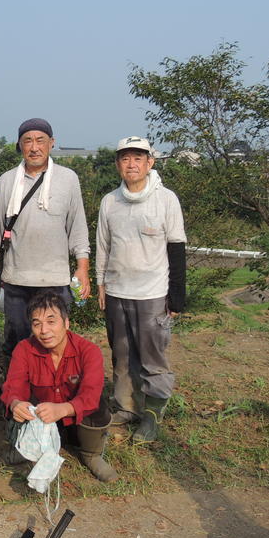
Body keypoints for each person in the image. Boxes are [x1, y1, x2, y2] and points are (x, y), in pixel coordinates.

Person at [96, 136, 186, 443]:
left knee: (152, 357)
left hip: (152, 293)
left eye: (138, 158)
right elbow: (103, 246)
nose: (131, 164)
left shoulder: (166, 199)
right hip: (117, 291)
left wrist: (177, 295)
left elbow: (176, 247)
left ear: (150, 163)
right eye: (125, 158)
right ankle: (125, 407)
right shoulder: (110, 201)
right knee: (121, 355)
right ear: (117, 165)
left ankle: (152, 414)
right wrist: (101, 283)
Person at [0, 118, 91, 357]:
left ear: (51, 143)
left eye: (40, 140)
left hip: (55, 280)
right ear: (19, 145)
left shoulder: (68, 179)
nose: (34, 147)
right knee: (17, 343)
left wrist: (82, 267)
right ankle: (16, 382)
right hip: (16, 280)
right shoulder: (7, 181)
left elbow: (78, 227)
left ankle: (54, 382)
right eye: (27, 141)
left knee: (53, 343)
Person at [1, 290, 117, 482]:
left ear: (66, 323)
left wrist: (63, 409)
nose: (44, 330)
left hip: (74, 419)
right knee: (15, 405)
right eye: (37, 324)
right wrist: (16, 404)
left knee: (97, 406)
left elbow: (90, 395)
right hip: (43, 416)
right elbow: (13, 386)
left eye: (51, 321)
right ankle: (27, 448)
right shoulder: (24, 349)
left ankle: (91, 454)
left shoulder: (89, 351)